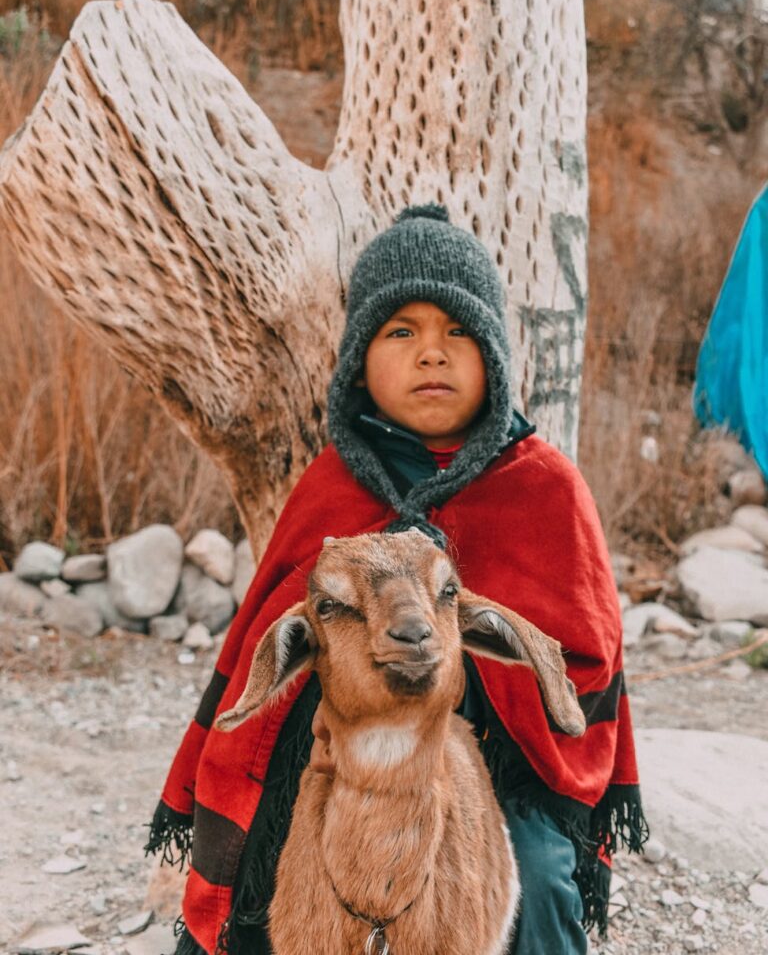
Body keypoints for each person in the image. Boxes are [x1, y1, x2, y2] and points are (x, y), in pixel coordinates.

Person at [147, 204, 647, 955]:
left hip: (507, 762)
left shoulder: (545, 489)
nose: (432, 355)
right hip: (338, 735)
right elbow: (272, 625)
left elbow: (583, 655)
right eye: (401, 332)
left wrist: (460, 662)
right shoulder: (332, 484)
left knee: (540, 882)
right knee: (258, 858)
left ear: (494, 357)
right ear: (359, 362)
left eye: (458, 332)